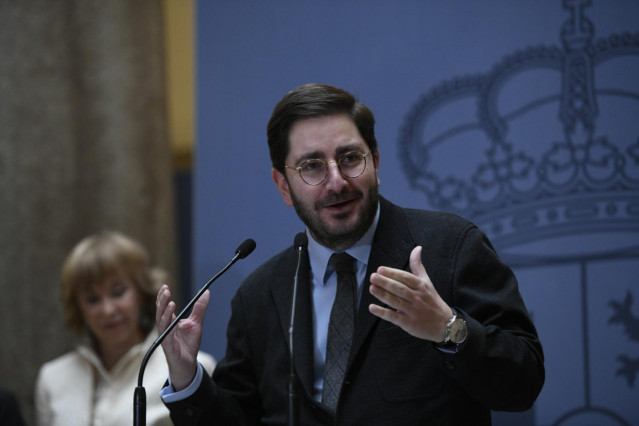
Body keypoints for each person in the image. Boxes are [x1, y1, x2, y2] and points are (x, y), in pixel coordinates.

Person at [156, 83, 545, 425]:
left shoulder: (450, 247)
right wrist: (188, 380)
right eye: (312, 166)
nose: (336, 182)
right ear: (283, 185)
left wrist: (448, 329)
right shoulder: (260, 296)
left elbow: (523, 383)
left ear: (375, 162)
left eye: (349, 158)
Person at [35, 231, 216, 426]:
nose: (108, 310)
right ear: (78, 308)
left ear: (141, 292)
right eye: (92, 299)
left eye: (118, 293)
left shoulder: (190, 371)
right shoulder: (52, 377)